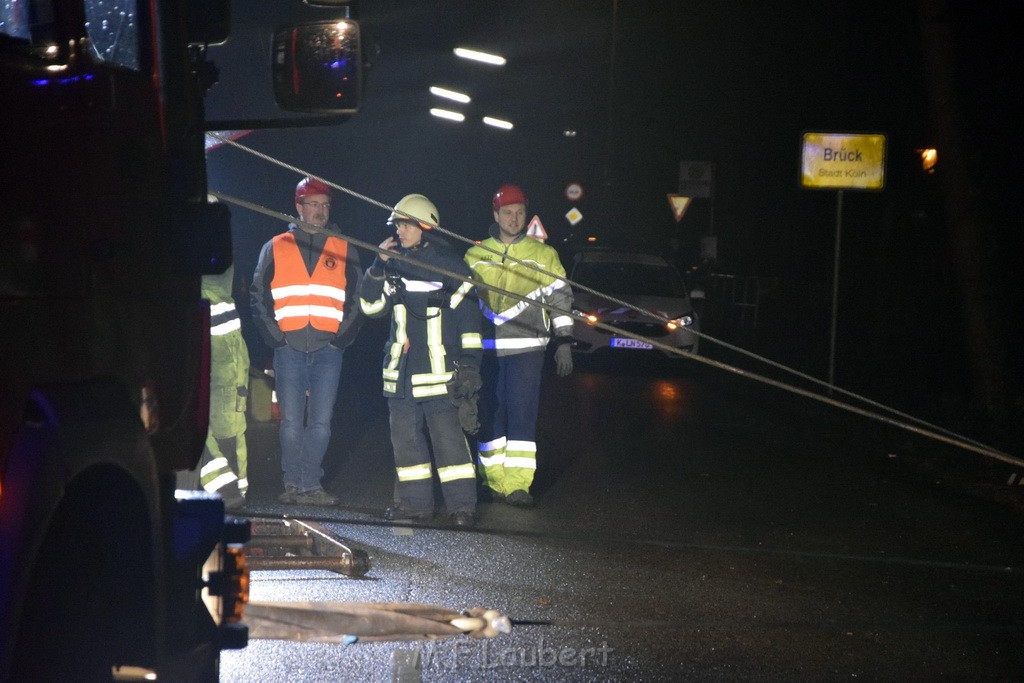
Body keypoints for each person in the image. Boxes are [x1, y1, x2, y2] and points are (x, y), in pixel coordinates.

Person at [359, 194, 482, 526]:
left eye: (405, 224)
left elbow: (470, 322)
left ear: (426, 226)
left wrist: (470, 365)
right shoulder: (391, 262)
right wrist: (376, 266)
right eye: (396, 224)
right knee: (407, 446)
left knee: (450, 445)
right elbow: (370, 308)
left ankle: (462, 508)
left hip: (440, 375)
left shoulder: (452, 267)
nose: (399, 230)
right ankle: (415, 504)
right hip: (400, 375)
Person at [250, 177, 362, 505]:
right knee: (289, 423)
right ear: (298, 207)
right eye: (313, 204)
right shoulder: (275, 246)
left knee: (322, 423)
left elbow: (358, 299)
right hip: (289, 348)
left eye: (325, 205)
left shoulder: (344, 247)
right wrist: (275, 338)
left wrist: (341, 340)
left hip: (328, 349)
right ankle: (293, 484)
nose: (320, 211)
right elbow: (258, 295)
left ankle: (309, 483)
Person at [464, 184, 574, 508]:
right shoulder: (476, 254)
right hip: (487, 348)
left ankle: (518, 486)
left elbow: (561, 299)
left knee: (521, 413)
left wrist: (564, 341)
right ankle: (492, 482)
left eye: (520, 213)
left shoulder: (544, 255)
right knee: (490, 414)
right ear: (495, 215)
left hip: (528, 348)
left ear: (527, 215)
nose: (514, 219)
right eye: (508, 213)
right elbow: (461, 303)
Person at [177, 264, 249, 511]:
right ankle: (228, 490)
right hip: (222, 347)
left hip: (216, 344)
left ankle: (226, 490)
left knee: (193, 416)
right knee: (211, 418)